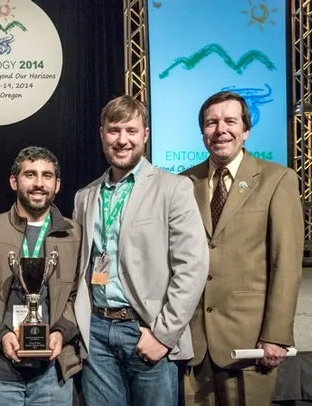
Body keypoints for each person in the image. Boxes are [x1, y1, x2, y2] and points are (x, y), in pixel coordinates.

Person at [73, 95, 209, 406]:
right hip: (96, 332)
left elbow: (193, 267)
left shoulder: (174, 188)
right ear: (102, 134)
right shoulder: (85, 196)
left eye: (131, 131)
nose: (122, 140)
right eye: (114, 130)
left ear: (145, 135)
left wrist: (163, 335)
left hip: (146, 329)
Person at [181, 91, 304, 406]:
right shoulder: (183, 183)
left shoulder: (278, 180)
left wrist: (276, 335)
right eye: (212, 123)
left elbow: (286, 264)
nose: (221, 129)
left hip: (250, 344)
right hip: (193, 344)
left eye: (230, 121)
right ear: (203, 132)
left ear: (246, 130)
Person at [0, 146, 82, 406]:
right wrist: (2, 335)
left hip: (53, 374)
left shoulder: (75, 234)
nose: (39, 183)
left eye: (47, 176)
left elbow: (79, 296)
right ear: (14, 181)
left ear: (57, 185)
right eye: (30, 175)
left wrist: (61, 332)